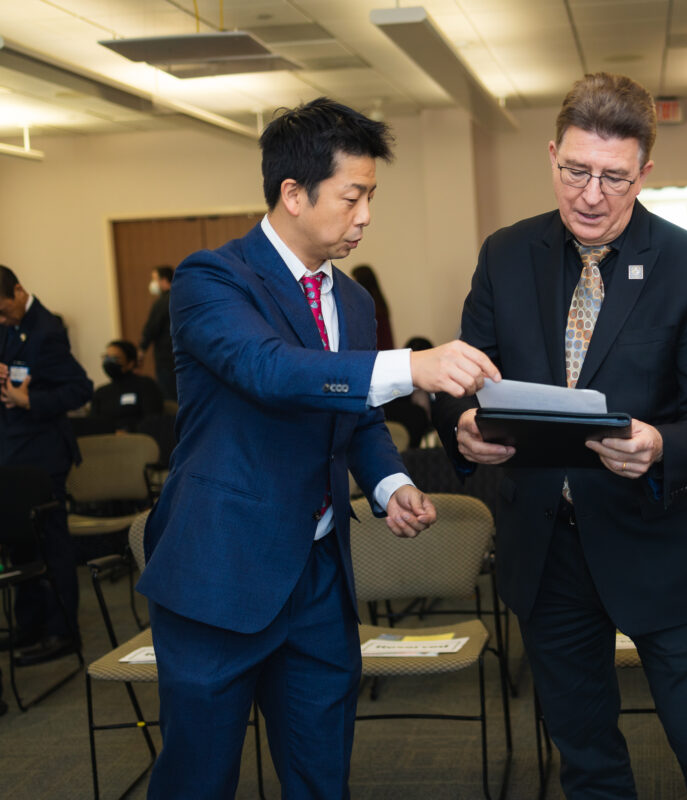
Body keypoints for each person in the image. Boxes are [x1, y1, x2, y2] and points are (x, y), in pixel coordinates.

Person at [135, 97, 499, 799]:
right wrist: (410, 367)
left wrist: (392, 484)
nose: (365, 215)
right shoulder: (212, 279)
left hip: (318, 575)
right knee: (198, 779)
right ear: (293, 194)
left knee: (320, 774)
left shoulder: (353, 302)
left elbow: (353, 416)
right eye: (352, 196)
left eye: (371, 196)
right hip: (221, 572)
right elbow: (270, 371)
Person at [434, 72, 687, 798]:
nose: (591, 194)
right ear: (553, 154)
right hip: (546, 550)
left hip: (654, 544)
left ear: (645, 170)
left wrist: (660, 446)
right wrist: (460, 421)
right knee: (585, 760)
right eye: (575, 171)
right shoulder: (505, 254)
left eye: (614, 178)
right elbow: (464, 373)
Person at [0, 265, 93, 666]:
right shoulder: (11, 326)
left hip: (42, 459)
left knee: (51, 545)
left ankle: (61, 631)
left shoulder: (46, 330)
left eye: (3, 311)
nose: (1, 321)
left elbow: (80, 389)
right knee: (22, 546)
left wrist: (30, 401)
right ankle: (31, 624)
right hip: (14, 456)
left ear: (19, 291)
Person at [89, 339, 163, 432]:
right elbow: (93, 423)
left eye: (116, 358)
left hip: (138, 439)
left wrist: (128, 430)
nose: (109, 361)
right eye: (107, 357)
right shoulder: (100, 392)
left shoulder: (146, 385)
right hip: (107, 441)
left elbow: (152, 419)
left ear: (130, 363)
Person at [139, 265, 176, 402]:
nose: (152, 284)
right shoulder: (181, 297)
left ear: (164, 280)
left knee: (169, 399)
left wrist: (142, 349)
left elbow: (151, 328)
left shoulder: (162, 302)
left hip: (166, 359)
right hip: (181, 356)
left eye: (154, 279)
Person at [351, 263, 395, 350]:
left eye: (354, 280)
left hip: (376, 356)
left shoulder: (368, 304)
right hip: (381, 354)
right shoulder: (378, 302)